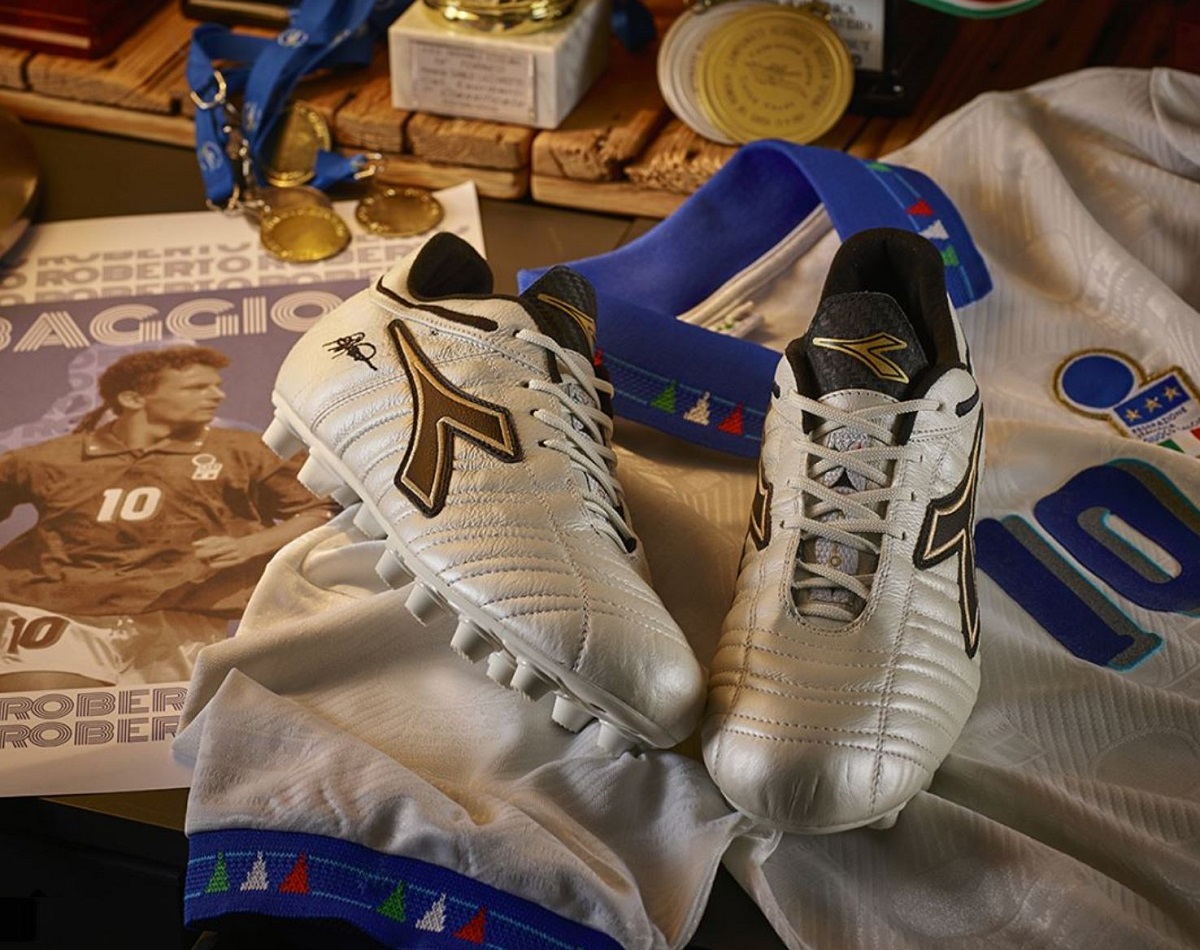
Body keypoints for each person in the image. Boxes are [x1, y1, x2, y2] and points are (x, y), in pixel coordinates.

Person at [0, 345, 336, 692]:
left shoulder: (247, 451)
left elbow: (321, 510)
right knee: (42, 705)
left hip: (182, 609)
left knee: (174, 721)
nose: (217, 395)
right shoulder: (49, 458)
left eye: (217, 385)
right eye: (196, 387)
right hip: (57, 607)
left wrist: (249, 545)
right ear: (133, 398)